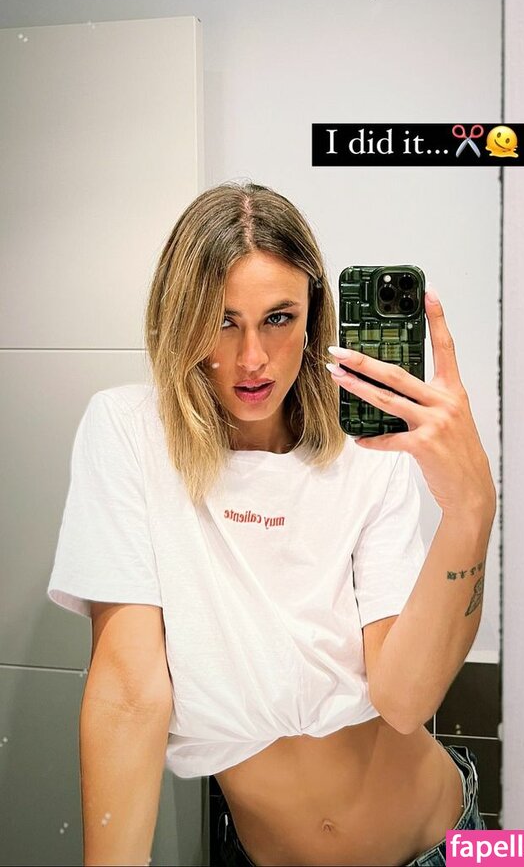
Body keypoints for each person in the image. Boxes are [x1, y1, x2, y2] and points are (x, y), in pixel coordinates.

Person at [48, 180, 496, 867]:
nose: (251, 358)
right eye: (222, 320)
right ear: (179, 317)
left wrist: (470, 510)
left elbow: (405, 702)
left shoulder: (364, 451)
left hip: (445, 845)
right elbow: (131, 693)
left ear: (313, 315)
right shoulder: (130, 434)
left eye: (278, 319)